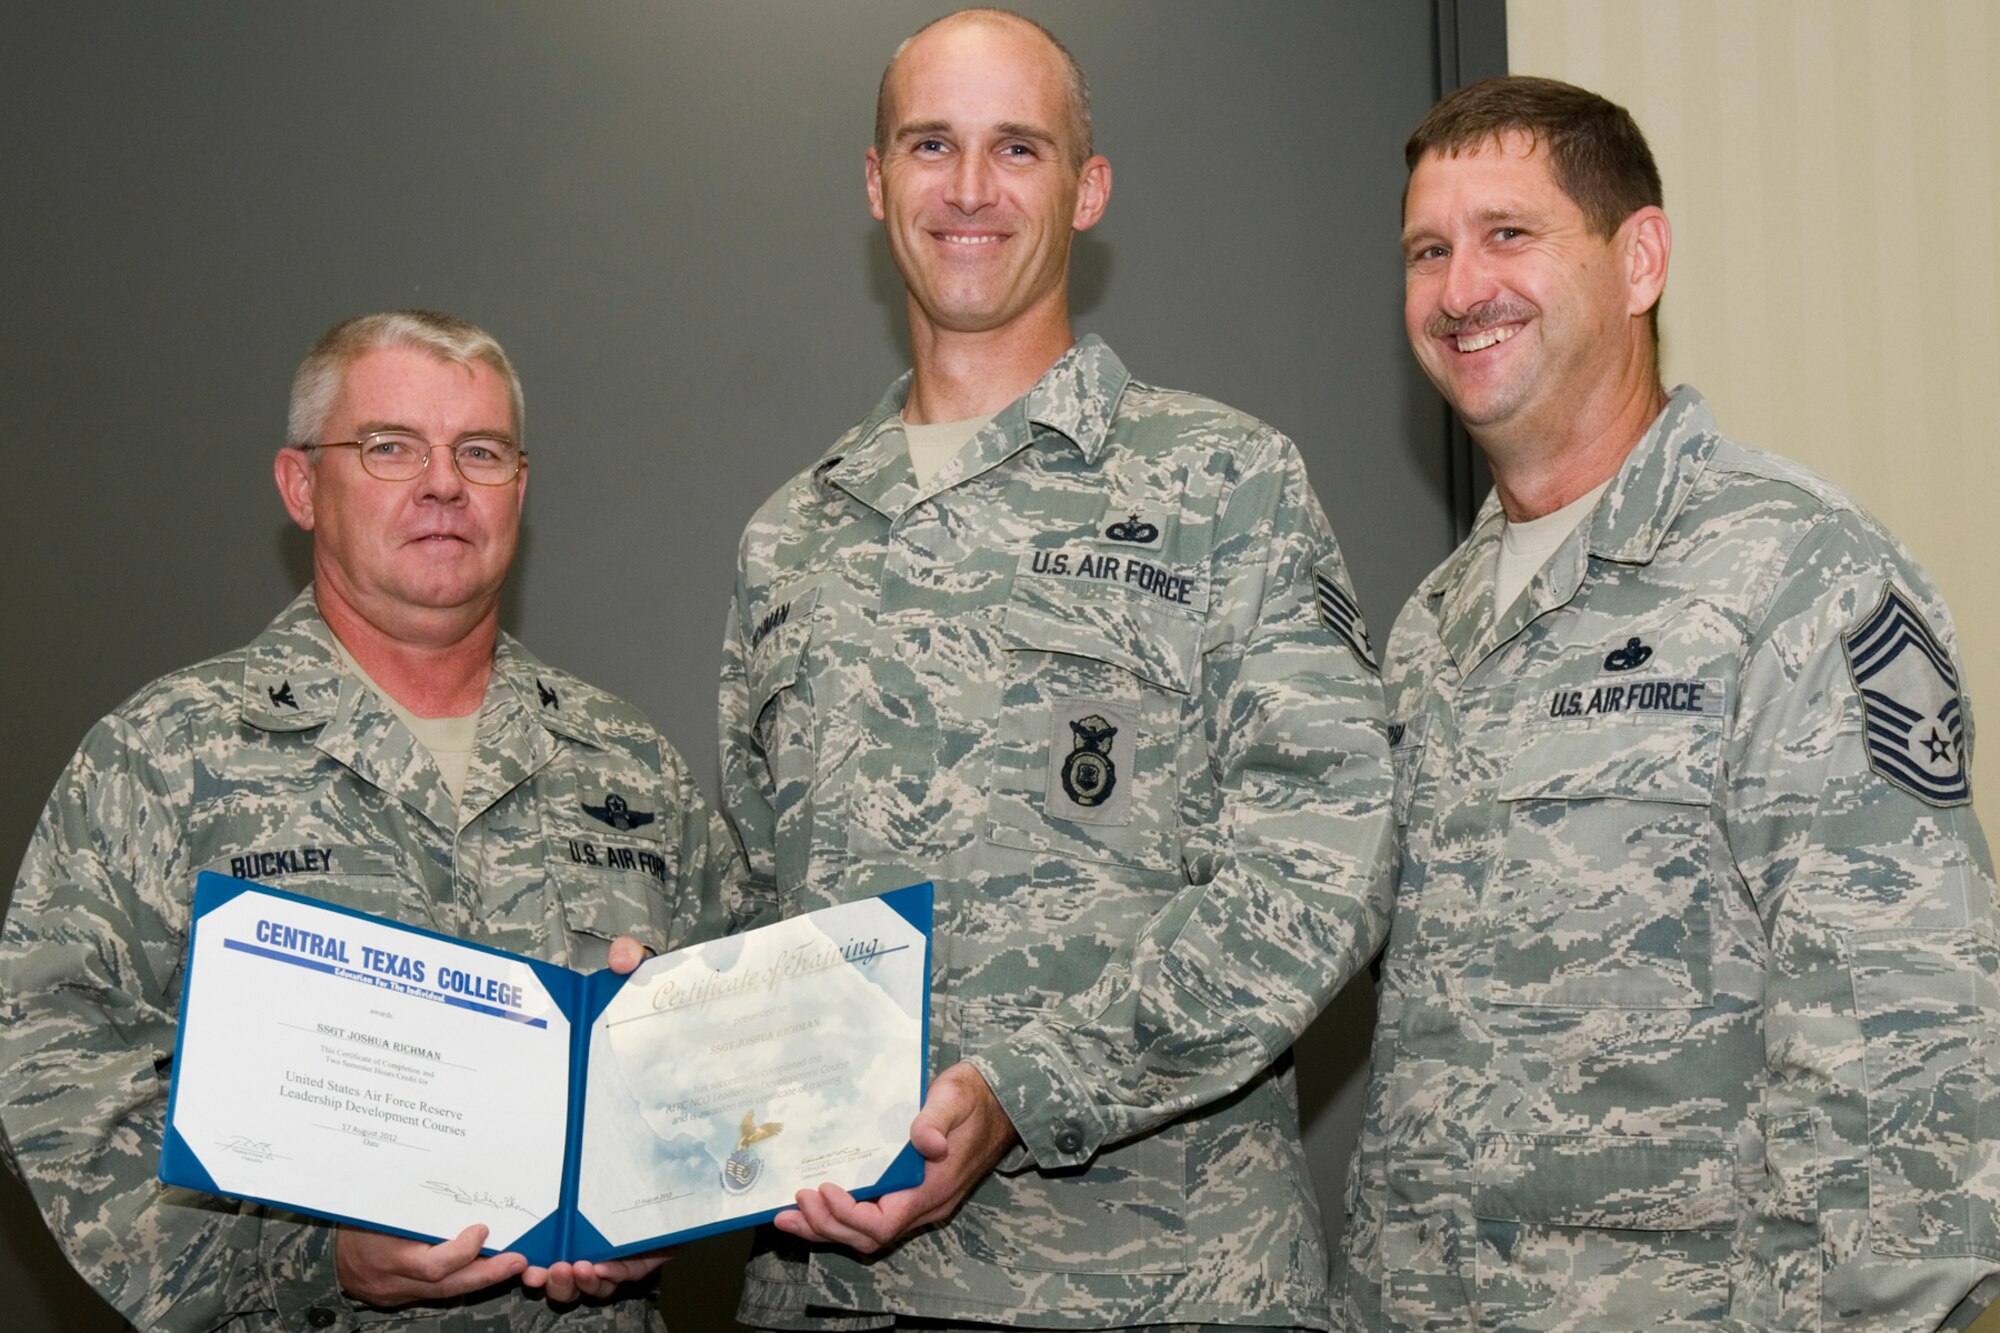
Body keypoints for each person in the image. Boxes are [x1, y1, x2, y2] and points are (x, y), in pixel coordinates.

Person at [716, 9, 1395, 1331]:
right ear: (876, 182)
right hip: (830, 1293)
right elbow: (762, 904)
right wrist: (684, 1049)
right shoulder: (788, 539)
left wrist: (1035, 1084)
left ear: (1086, 190)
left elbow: (1323, 869)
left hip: (1150, 1289)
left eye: (1016, 149)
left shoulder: (1226, 488)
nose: (969, 190)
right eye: (931, 145)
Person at [1332, 76, 2000, 1330]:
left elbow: (1909, 1055)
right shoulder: (1431, 628)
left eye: (1508, 234)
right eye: (1428, 249)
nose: (1459, 286)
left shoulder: (1798, 573)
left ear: (1637, 259)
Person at [0, 311, 732, 1331]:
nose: (443, 483)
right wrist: (308, 1257)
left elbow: (731, 1061)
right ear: (302, 486)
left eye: (480, 451)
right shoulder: (164, 756)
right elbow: (50, 1064)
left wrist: (665, 1200)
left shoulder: (630, 764)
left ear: (519, 487)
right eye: (390, 446)